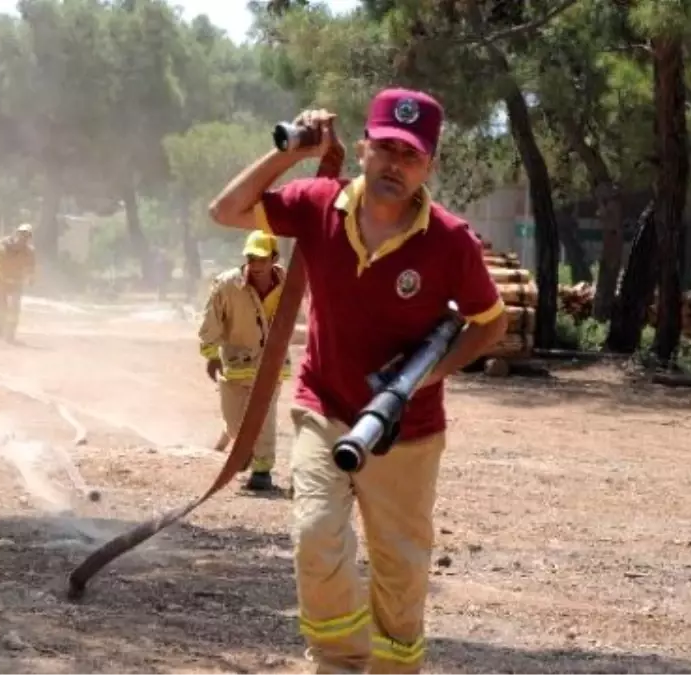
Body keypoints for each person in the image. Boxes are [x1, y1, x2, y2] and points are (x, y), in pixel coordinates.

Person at [208, 88, 508, 674]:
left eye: (412, 155)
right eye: (386, 148)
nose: (396, 165)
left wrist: (425, 378)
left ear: (430, 166)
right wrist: (292, 153)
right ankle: (337, 663)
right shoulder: (319, 204)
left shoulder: (450, 241)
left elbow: (490, 324)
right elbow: (226, 210)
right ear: (365, 148)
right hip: (326, 408)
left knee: (399, 572)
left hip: (409, 430)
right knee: (317, 536)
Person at [197, 230, 293, 492]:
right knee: (233, 420)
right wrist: (211, 354)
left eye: (262, 259)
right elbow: (211, 319)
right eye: (251, 258)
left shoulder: (289, 283)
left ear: (274, 257)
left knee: (264, 417)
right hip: (236, 364)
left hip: (272, 364)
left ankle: (262, 471)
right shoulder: (227, 285)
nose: (256, 265)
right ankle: (242, 451)